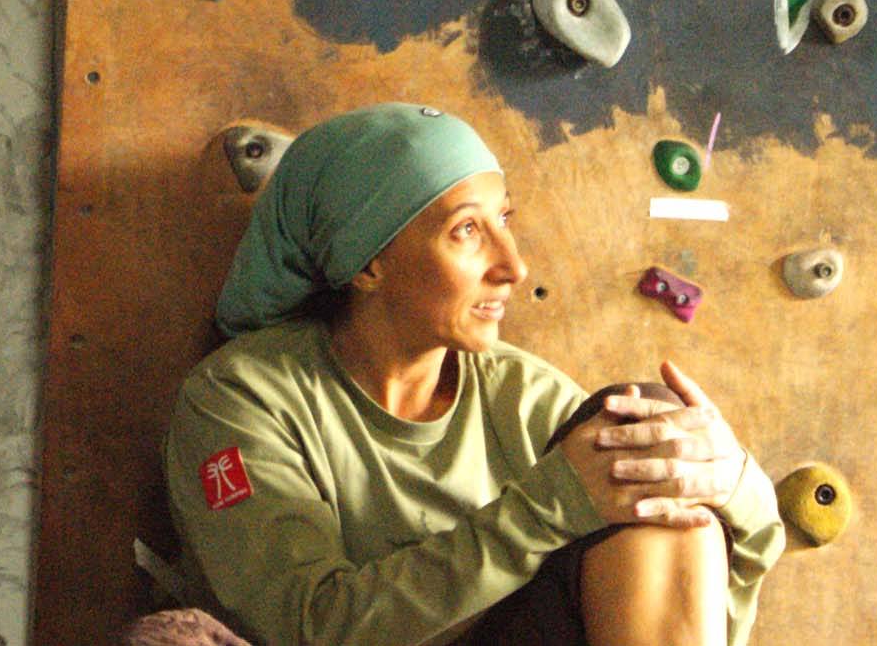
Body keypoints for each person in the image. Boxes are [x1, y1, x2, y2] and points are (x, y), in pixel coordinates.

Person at [164, 103, 785, 646]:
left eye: (504, 220)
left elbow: (704, 587)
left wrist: (731, 482)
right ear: (368, 263)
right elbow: (305, 628)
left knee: (641, 436)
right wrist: (544, 510)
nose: (513, 266)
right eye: (466, 230)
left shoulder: (520, 393)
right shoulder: (240, 397)